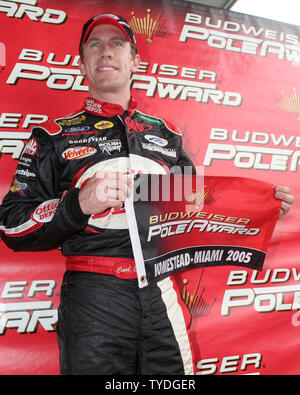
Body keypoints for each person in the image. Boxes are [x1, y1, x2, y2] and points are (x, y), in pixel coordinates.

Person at [0, 13, 294, 375]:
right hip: (94, 296)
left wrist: (256, 210)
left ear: (135, 62)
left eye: (117, 44)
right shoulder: (52, 138)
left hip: (160, 294)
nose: (105, 52)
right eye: (95, 45)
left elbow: (195, 211)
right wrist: (78, 203)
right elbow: (11, 225)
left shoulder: (167, 136)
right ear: (82, 65)